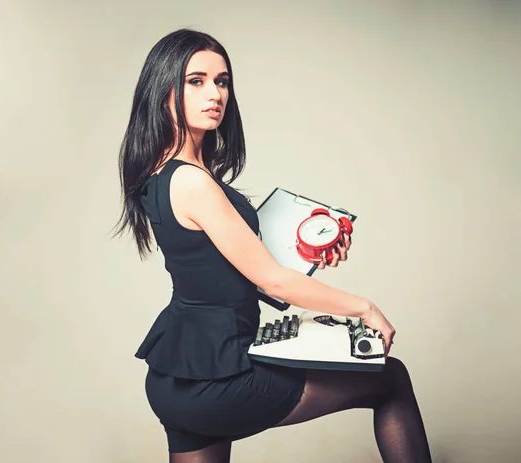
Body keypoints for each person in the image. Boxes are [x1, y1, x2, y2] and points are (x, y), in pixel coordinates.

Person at [114, 29, 432, 463]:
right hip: (218, 377)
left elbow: (225, 270)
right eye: (197, 80)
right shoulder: (192, 182)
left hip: (179, 374)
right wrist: (363, 308)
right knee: (390, 379)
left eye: (222, 81)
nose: (215, 93)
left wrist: (311, 252)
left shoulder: (165, 172)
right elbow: (271, 280)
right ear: (164, 87)